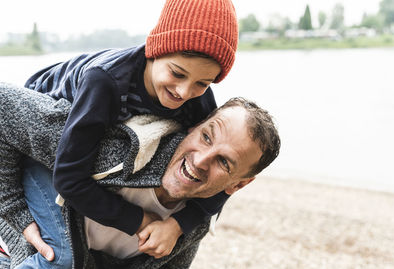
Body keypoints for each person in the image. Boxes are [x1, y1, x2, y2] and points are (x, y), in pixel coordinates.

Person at [3, 0, 238, 267]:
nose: (184, 92)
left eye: (202, 83)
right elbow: (70, 179)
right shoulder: (106, 82)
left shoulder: (199, 100)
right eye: (177, 73)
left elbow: (225, 181)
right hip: (31, 141)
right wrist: (138, 220)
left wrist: (177, 224)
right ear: (155, 49)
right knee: (63, 256)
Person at [0, 82, 280, 268]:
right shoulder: (116, 144)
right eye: (207, 137)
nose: (201, 160)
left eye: (225, 163)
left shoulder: (190, 227)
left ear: (239, 184)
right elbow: (3, 104)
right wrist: (14, 211)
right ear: (194, 126)